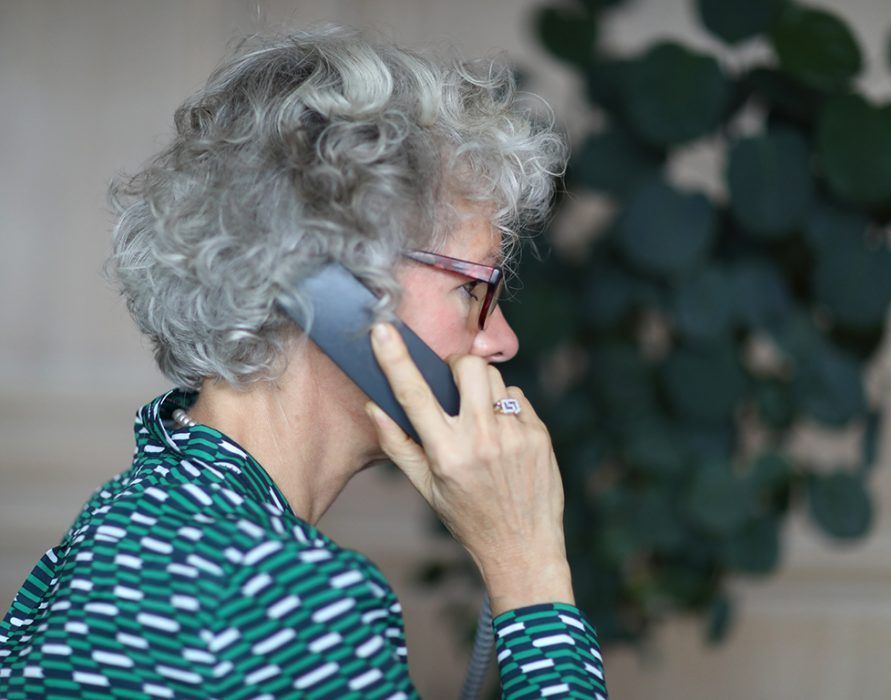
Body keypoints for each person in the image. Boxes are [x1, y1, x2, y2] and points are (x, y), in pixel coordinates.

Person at [0, 25, 608, 699]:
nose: (502, 341)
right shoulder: (291, 597)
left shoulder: (116, 528)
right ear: (331, 288)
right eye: (472, 288)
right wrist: (528, 568)